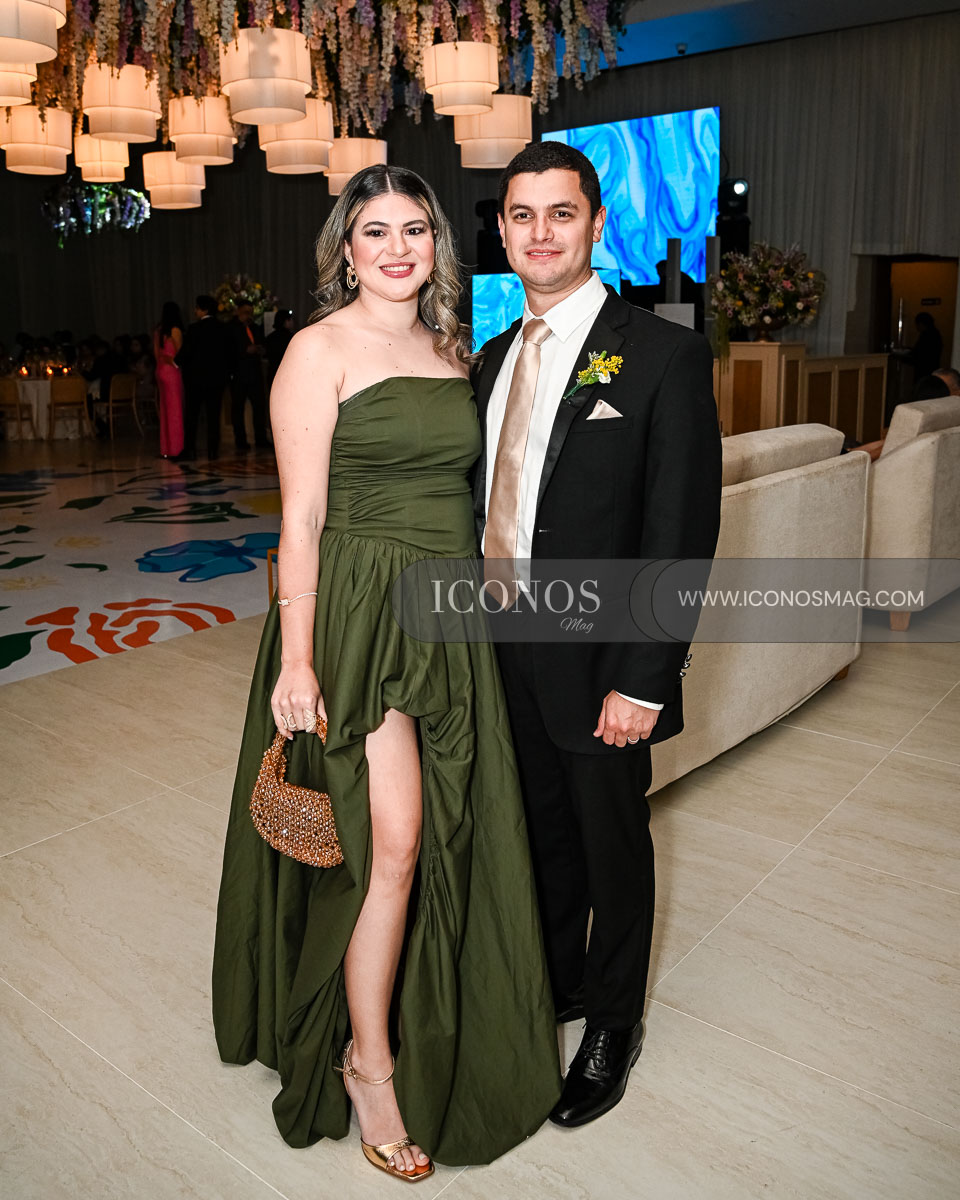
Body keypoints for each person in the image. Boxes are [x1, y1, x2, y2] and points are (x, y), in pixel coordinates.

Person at [212, 164, 561, 1179]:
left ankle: (424, 1016)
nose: (398, 248)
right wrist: (299, 659)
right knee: (395, 841)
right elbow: (302, 519)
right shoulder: (316, 350)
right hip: (362, 617)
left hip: (449, 614)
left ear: (438, 244)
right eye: (376, 231)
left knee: (451, 829)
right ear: (347, 249)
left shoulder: (452, 350)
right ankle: (369, 1063)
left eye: (415, 229)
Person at [472, 141, 721, 1128]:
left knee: (612, 845)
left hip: (603, 657)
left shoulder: (661, 355)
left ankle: (614, 1023)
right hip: (501, 644)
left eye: (561, 213)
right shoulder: (492, 358)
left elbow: (679, 530)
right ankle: (561, 981)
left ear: (596, 223)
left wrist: (646, 675)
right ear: (502, 232)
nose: (541, 233)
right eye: (522, 215)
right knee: (541, 830)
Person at [178, 295, 233, 460]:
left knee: (192, 416)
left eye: (197, 308)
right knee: (213, 417)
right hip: (216, 380)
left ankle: (190, 450)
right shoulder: (223, 328)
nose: (195, 311)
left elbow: (185, 352)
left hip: (195, 380)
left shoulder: (194, 329)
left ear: (204, 309)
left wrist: (174, 362)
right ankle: (212, 451)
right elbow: (229, 354)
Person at [227, 300, 269, 451]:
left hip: (255, 373)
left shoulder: (255, 327)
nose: (248, 315)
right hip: (238, 374)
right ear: (238, 311)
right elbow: (227, 351)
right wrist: (245, 351)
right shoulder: (230, 328)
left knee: (259, 406)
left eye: (251, 312)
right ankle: (241, 441)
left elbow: (262, 343)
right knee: (238, 409)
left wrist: (261, 349)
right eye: (246, 312)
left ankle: (261, 439)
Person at [153, 301, 185, 458]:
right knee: (175, 410)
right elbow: (180, 353)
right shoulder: (175, 330)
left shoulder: (158, 330)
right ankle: (176, 449)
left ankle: (165, 449)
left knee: (164, 409)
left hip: (160, 370)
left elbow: (156, 354)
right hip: (172, 371)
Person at [265, 307, 295, 389]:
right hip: (287, 375)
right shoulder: (292, 338)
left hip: (273, 375)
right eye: (291, 320)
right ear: (286, 321)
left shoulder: (269, 337)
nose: (292, 322)